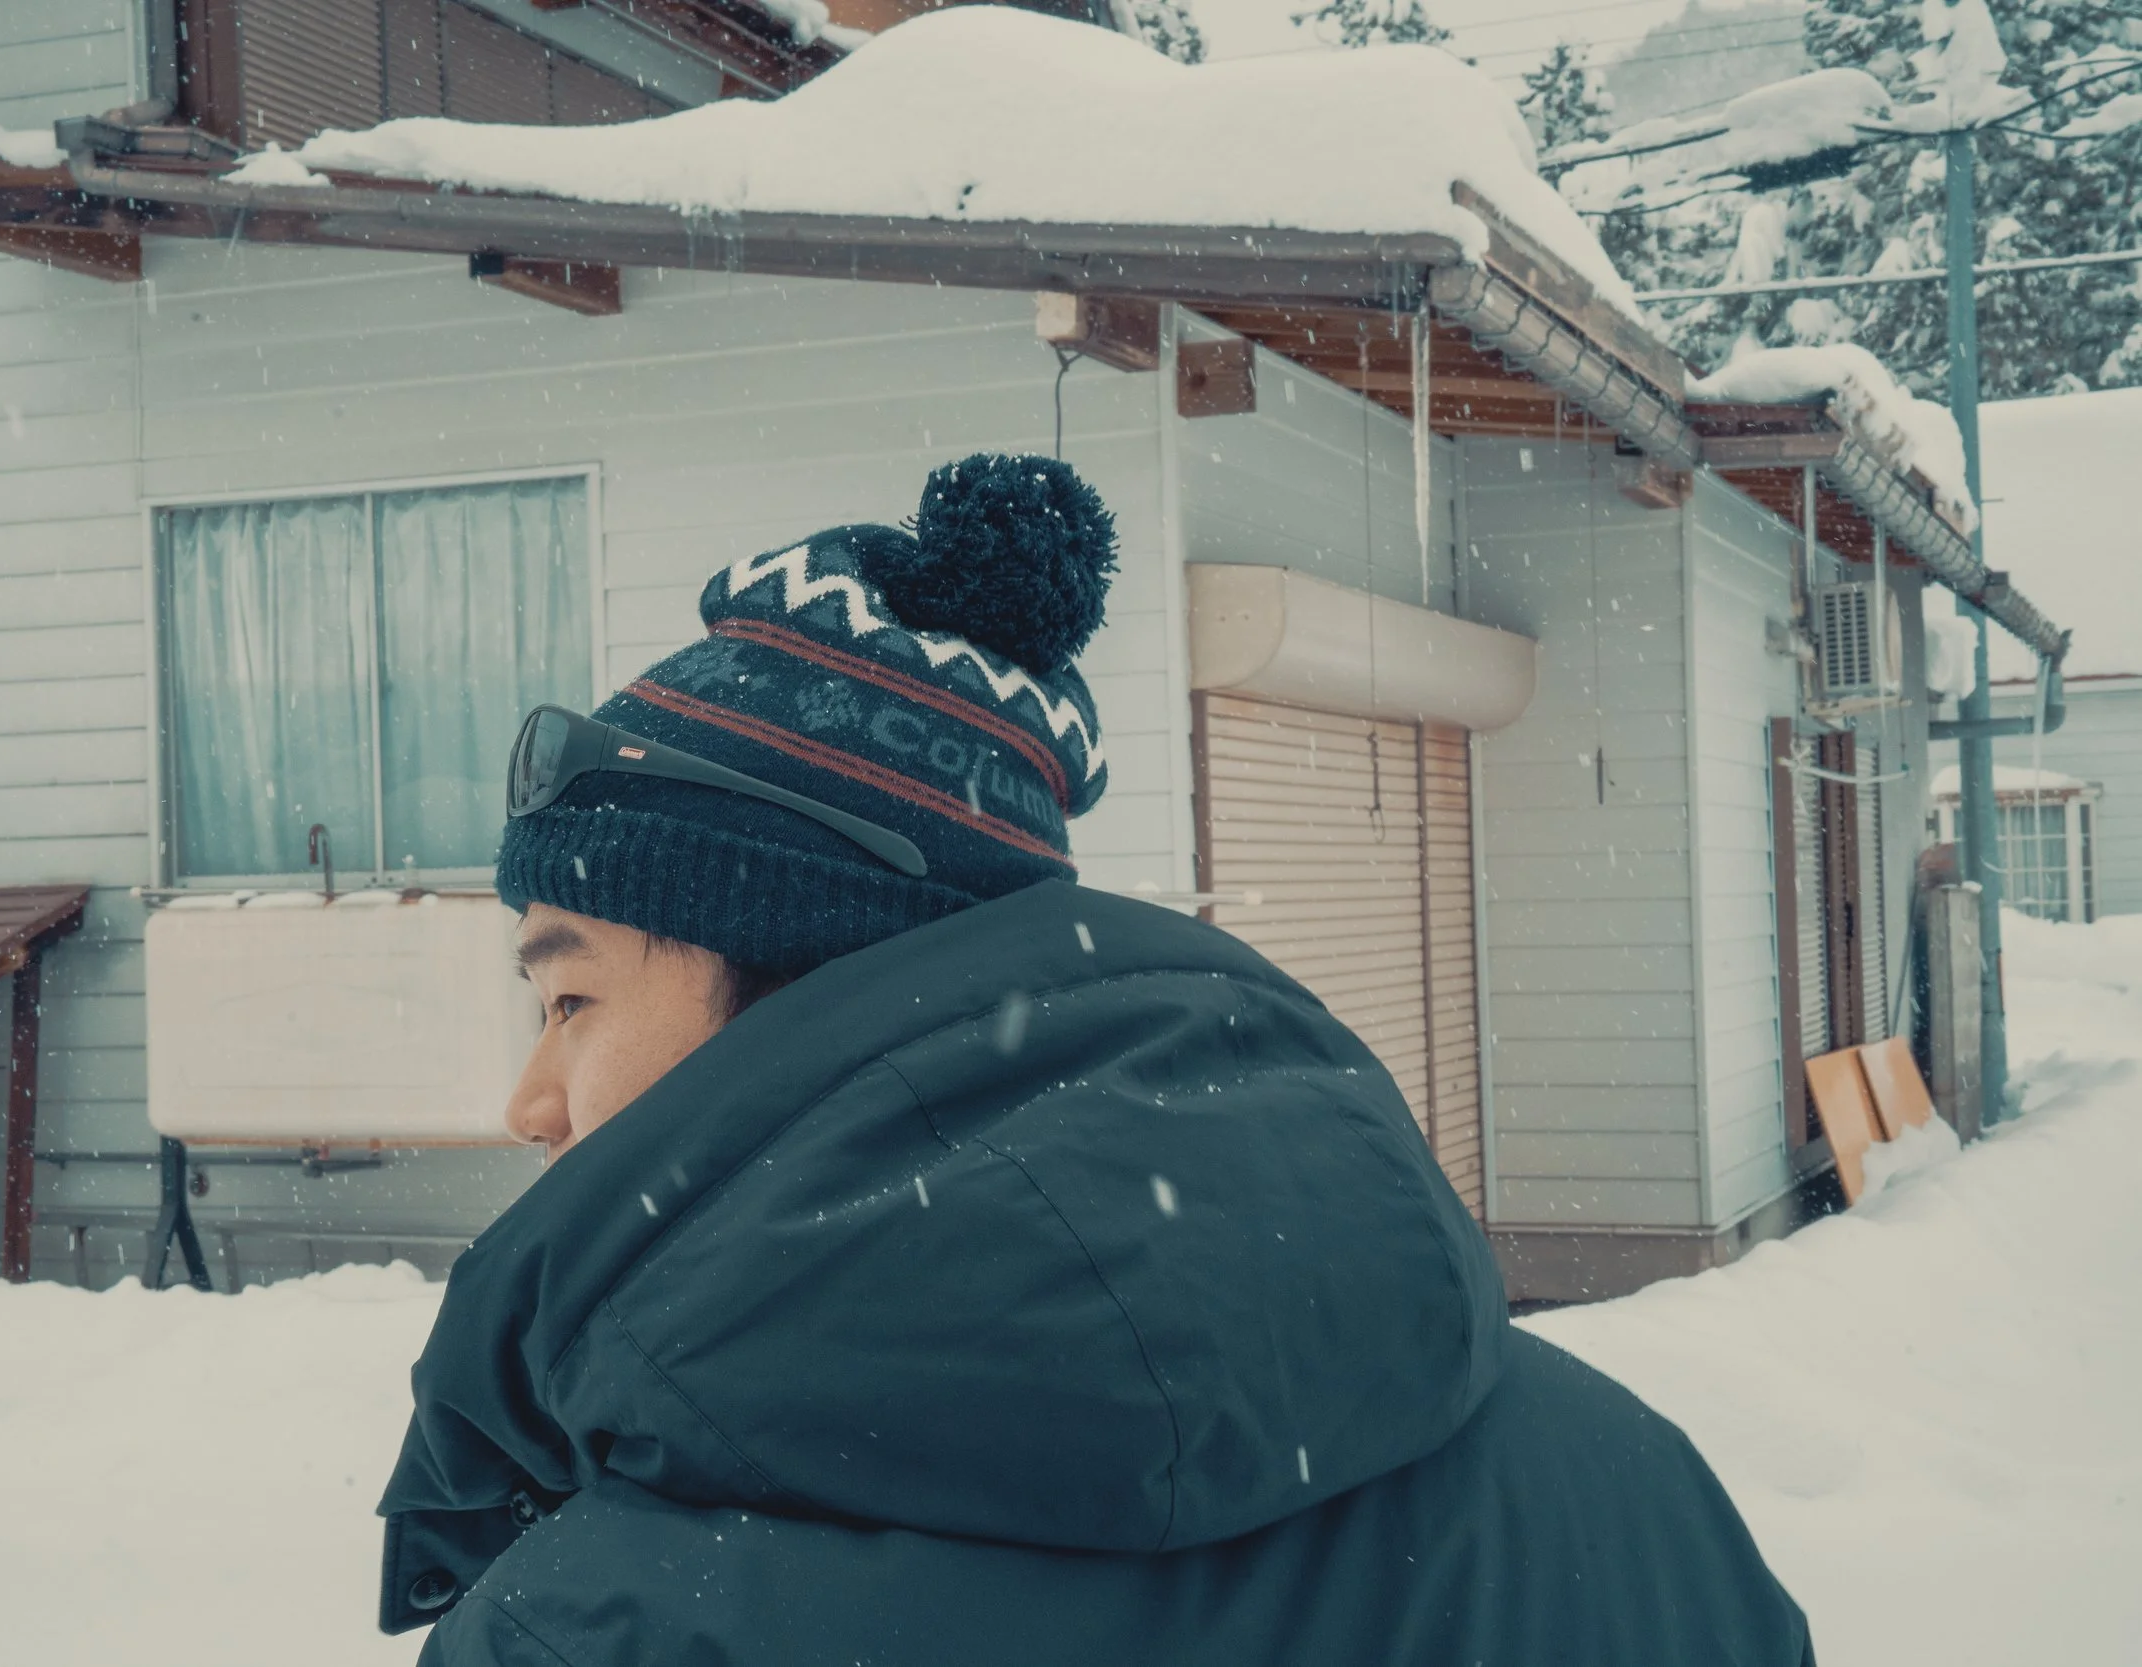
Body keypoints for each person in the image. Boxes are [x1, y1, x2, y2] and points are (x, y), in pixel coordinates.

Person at [376, 456, 1813, 1665]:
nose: (530, 1100)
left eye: (566, 997)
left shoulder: (609, 1631)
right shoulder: (1624, 1488)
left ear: (808, 988)